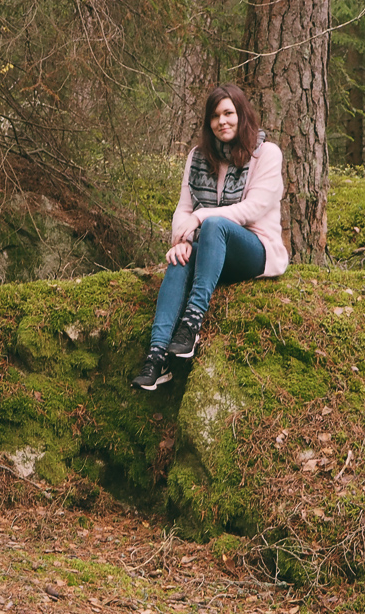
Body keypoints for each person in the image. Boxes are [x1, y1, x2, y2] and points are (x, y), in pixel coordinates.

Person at [132, 83, 288, 391]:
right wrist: (180, 241)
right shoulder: (198, 157)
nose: (222, 121)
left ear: (242, 115)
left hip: (254, 250)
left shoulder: (266, 154)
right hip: (210, 252)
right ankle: (157, 357)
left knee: (215, 224)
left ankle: (191, 326)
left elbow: (253, 209)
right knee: (180, 259)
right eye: (215, 116)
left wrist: (201, 218)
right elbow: (184, 207)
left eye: (229, 113)